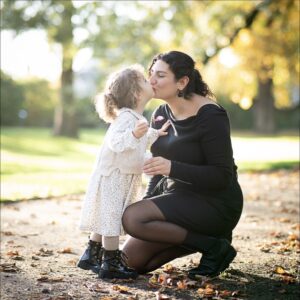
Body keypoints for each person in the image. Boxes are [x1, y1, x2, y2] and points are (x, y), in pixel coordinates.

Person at [121, 51, 244, 278]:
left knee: (132, 217)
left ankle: (212, 246)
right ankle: (214, 244)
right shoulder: (160, 113)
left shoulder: (211, 116)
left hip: (215, 203)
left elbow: (222, 176)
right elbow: (157, 171)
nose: (151, 81)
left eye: (160, 75)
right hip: (179, 200)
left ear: (182, 82)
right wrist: (150, 205)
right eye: (151, 74)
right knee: (131, 262)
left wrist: (172, 168)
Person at [77, 65, 171, 279]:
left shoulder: (134, 117)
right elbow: (117, 143)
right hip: (113, 178)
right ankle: (110, 263)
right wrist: (134, 134)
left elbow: (137, 143)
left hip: (118, 177)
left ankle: (90, 255)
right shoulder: (126, 118)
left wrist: (155, 133)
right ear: (137, 93)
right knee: (110, 221)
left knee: (106, 217)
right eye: (146, 81)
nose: (151, 81)